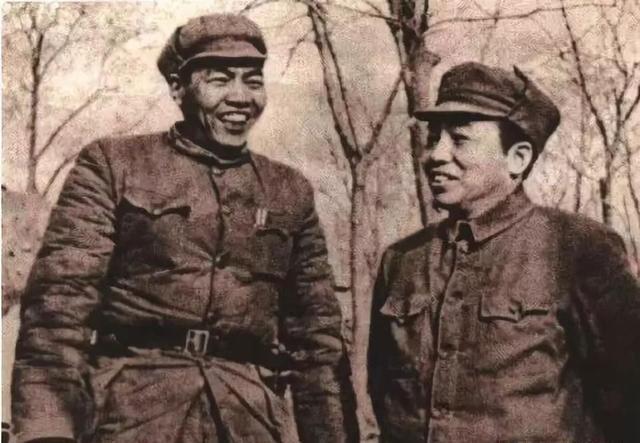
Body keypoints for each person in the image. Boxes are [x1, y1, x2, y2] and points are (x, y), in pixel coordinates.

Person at [12, 13, 357, 443]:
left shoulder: (290, 191)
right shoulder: (113, 165)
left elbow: (317, 342)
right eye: (220, 80)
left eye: (253, 81)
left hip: (248, 422)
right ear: (178, 88)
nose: (240, 97)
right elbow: (58, 308)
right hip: (132, 415)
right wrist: (48, 432)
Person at [368, 62, 640, 442]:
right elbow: (383, 392)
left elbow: (628, 398)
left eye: (460, 139)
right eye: (433, 137)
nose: (435, 154)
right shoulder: (401, 261)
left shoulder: (577, 248)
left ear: (518, 158)